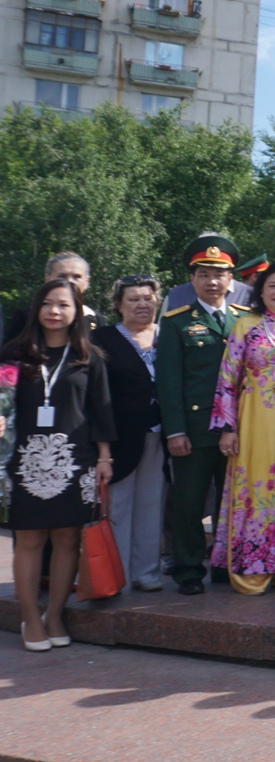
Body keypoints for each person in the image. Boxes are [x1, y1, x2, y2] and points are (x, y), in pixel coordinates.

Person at [1, 278, 114, 651]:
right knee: (30, 539)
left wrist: (103, 458)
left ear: (76, 311)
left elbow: (101, 412)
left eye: (63, 305)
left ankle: (55, 614)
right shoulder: (14, 354)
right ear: (36, 308)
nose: (54, 311)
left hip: (75, 461)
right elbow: (3, 405)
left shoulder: (89, 357)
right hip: (25, 460)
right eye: (48, 304)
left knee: (68, 538)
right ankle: (31, 617)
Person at [211, 263, 275, 595]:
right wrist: (228, 427)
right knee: (257, 489)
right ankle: (253, 570)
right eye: (272, 286)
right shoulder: (246, 325)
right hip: (254, 420)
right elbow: (228, 378)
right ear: (261, 291)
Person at [157, 236, 252, 594]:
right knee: (189, 504)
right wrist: (175, 431)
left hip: (240, 430)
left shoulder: (245, 320)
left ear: (231, 280)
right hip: (195, 430)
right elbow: (168, 382)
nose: (212, 281)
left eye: (219, 274)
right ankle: (188, 570)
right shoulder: (177, 322)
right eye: (204, 274)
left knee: (233, 503)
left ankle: (227, 563)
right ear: (192, 280)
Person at [91, 275, 165, 592]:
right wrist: (101, 448)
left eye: (148, 297)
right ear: (119, 305)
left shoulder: (168, 334)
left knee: (152, 503)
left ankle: (146, 572)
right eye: (133, 299)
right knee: (118, 505)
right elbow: (95, 392)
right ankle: (115, 573)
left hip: (161, 433)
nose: (142, 304)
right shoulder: (102, 338)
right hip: (119, 436)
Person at [5, 253, 102, 342]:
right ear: (47, 278)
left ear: (86, 282)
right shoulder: (26, 316)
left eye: (76, 277)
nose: (69, 281)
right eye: (62, 276)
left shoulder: (93, 318)